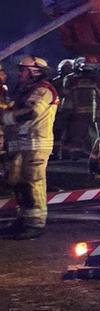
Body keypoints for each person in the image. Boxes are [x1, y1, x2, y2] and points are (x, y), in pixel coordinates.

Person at [2, 57, 59, 239]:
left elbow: (32, 112)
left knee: (33, 183)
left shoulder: (43, 89)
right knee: (19, 183)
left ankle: (35, 224)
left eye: (23, 70)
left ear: (35, 71)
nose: (20, 73)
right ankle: (23, 219)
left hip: (36, 144)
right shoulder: (27, 90)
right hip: (23, 143)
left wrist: (6, 118)